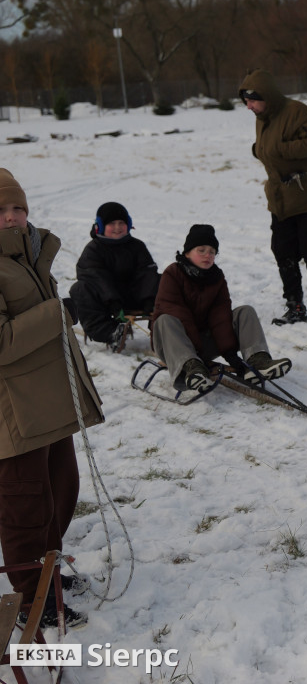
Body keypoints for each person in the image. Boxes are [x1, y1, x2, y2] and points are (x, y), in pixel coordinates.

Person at [0, 168, 101, 629]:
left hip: (48, 403)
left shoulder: (29, 255)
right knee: (26, 507)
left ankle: (48, 576)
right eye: (0, 211)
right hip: (13, 412)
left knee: (61, 492)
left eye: (17, 208)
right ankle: (28, 601)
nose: (11, 218)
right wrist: (58, 312)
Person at [238, 68, 307, 325]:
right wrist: (259, 150)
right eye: (246, 101)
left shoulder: (297, 111)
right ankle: (295, 306)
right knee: (282, 252)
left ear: (266, 96)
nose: (248, 106)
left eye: (252, 100)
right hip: (281, 198)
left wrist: (280, 149)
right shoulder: (262, 117)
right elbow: (268, 147)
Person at [150, 224, 292, 393]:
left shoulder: (216, 278)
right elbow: (177, 312)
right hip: (172, 344)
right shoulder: (173, 273)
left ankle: (258, 360)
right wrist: (195, 354)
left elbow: (220, 317)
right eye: (201, 250)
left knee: (244, 311)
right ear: (187, 253)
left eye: (211, 251)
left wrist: (233, 358)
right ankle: (191, 367)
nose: (207, 255)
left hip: (203, 344)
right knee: (166, 319)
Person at [69, 201, 161, 353]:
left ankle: (162, 331)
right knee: (79, 289)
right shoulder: (94, 249)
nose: (117, 228)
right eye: (112, 223)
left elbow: (147, 272)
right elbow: (94, 275)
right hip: (105, 301)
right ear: (101, 226)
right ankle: (110, 332)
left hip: (134, 296)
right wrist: (112, 301)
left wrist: (148, 298)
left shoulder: (137, 246)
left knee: (164, 280)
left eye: (121, 223)